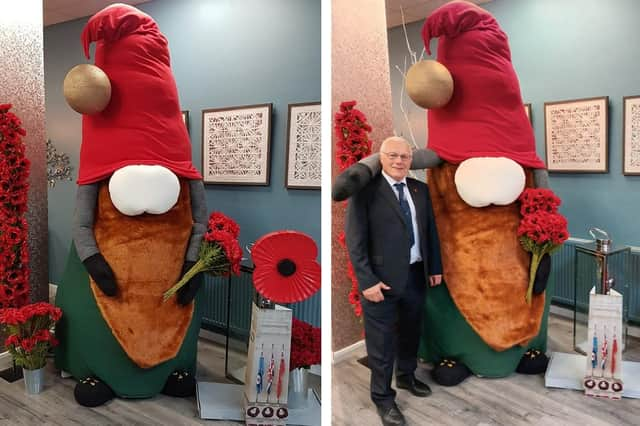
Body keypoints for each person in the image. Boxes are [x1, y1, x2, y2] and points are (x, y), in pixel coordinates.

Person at [345, 136, 443, 426]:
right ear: (381, 157)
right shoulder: (365, 192)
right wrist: (367, 282)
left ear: (411, 160)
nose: (399, 161)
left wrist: (434, 267)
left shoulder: (420, 189)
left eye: (404, 156)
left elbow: (430, 232)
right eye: (393, 156)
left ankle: (406, 376)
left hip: (415, 275)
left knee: (411, 331)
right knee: (382, 344)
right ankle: (383, 399)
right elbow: (355, 241)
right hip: (380, 282)